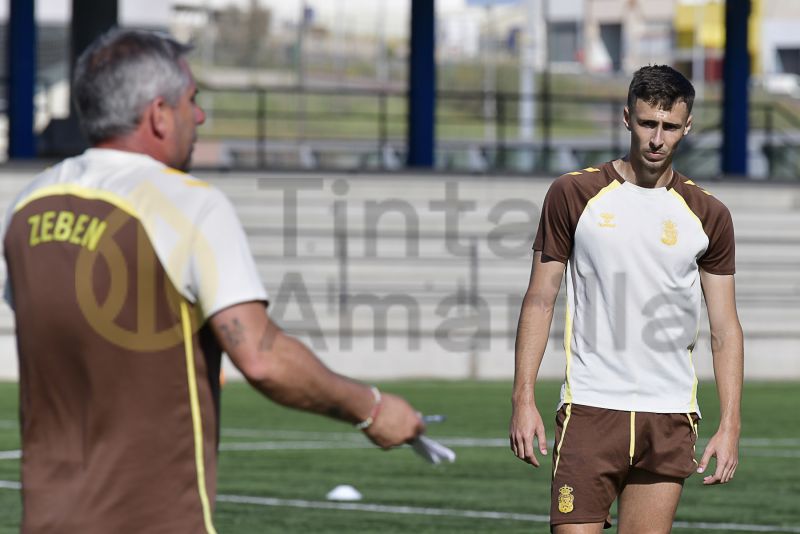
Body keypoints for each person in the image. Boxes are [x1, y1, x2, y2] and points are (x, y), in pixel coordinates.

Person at [1, 28, 424, 533]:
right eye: (191, 100)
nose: (198, 115)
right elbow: (263, 360)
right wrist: (373, 409)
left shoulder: (27, 205)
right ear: (158, 114)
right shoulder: (189, 204)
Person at [509, 65, 743, 533]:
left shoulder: (709, 214)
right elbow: (539, 299)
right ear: (626, 119)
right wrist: (523, 398)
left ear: (687, 126)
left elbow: (725, 328)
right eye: (647, 123)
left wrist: (731, 424)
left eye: (670, 126)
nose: (657, 138)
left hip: (671, 413)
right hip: (591, 408)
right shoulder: (573, 193)